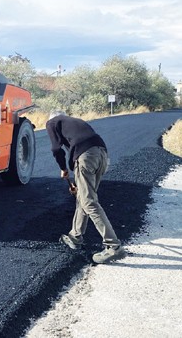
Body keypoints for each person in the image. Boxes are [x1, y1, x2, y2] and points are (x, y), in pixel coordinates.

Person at [46, 111, 127, 264]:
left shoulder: (52, 122)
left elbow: (56, 149)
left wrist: (63, 168)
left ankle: (114, 247)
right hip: (102, 155)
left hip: (86, 157)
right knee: (83, 198)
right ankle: (75, 237)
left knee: (89, 202)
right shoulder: (74, 121)